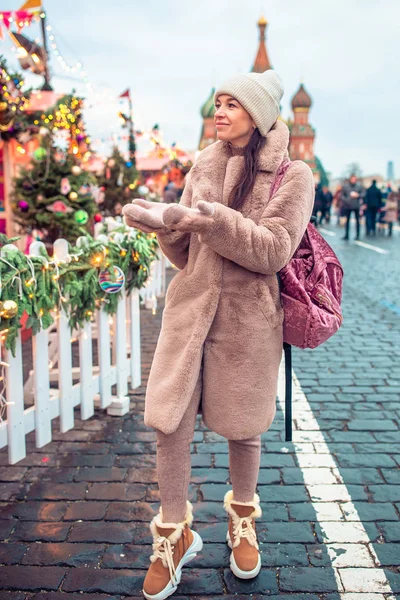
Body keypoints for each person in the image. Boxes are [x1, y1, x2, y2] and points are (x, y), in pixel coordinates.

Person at [122, 69, 314, 599]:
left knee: (243, 424)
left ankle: (243, 519)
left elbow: (273, 249)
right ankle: (173, 531)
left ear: (259, 114)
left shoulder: (294, 176)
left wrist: (212, 222)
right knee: (170, 419)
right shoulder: (202, 164)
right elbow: (187, 254)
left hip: (248, 318)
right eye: (218, 102)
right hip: (189, 310)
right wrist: (168, 227)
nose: (220, 111)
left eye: (233, 103)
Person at [341, 174, 365, 240]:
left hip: (356, 205)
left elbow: (364, 193)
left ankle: (357, 235)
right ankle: (346, 235)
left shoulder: (359, 186)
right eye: (353, 179)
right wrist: (347, 200)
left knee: (357, 221)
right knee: (347, 221)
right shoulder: (346, 186)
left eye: (355, 179)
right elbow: (342, 196)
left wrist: (358, 195)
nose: (354, 180)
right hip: (348, 206)